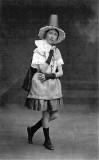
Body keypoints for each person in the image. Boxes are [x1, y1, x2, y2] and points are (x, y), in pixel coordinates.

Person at [25, 14, 65, 150]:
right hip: (41, 85)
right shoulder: (39, 49)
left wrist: (51, 76)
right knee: (47, 114)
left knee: (55, 114)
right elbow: (42, 68)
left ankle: (33, 129)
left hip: (52, 84)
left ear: (57, 37)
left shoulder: (57, 51)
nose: (52, 36)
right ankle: (47, 140)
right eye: (50, 33)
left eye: (55, 34)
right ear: (45, 35)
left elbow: (61, 72)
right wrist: (49, 56)